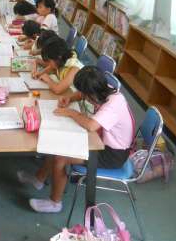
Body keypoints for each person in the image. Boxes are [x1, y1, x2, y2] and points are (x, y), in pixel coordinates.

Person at [19, 66, 134, 213]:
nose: (83, 96)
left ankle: (55, 203)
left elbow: (91, 125)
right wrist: (70, 98)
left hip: (112, 154)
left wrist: (71, 113)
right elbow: (80, 94)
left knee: (60, 158)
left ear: (92, 92)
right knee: (56, 143)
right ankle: (39, 179)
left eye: (86, 95)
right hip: (101, 141)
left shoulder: (113, 104)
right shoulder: (104, 89)